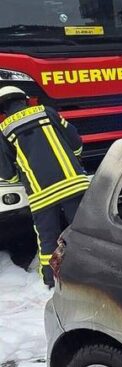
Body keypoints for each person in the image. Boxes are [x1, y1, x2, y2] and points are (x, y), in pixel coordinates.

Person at [0, 87, 87, 287]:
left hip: (42, 195)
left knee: (48, 240)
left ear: (3, 108)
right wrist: (74, 159)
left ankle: (50, 281)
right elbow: (75, 140)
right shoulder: (47, 112)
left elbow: (6, 172)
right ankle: (91, 271)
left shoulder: (4, 130)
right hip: (73, 183)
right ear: (25, 100)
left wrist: (20, 179)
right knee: (83, 230)